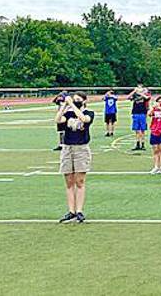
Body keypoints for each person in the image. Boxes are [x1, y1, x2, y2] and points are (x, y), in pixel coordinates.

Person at [55, 92, 94, 223]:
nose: (75, 101)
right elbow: (58, 120)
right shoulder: (69, 114)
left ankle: (79, 210)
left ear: (84, 101)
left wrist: (72, 103)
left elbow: (84, 119)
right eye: (74, 99)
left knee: (80, 181)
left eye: (78, 99)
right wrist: (64, 106)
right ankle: (71, 211)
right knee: (69, 181)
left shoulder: (89, 113)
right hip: (67, 148)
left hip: (81, 148)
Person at [128, 84, 151, 151]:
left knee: (142, 130)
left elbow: (147, 98)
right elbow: (128, 97)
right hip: (135, 112)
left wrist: (141, 93)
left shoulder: (146, 95)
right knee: (137, 130)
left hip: (143, 113)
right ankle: (137, 144)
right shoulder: (135, 95)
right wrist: (134, 91)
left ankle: (143, 144)